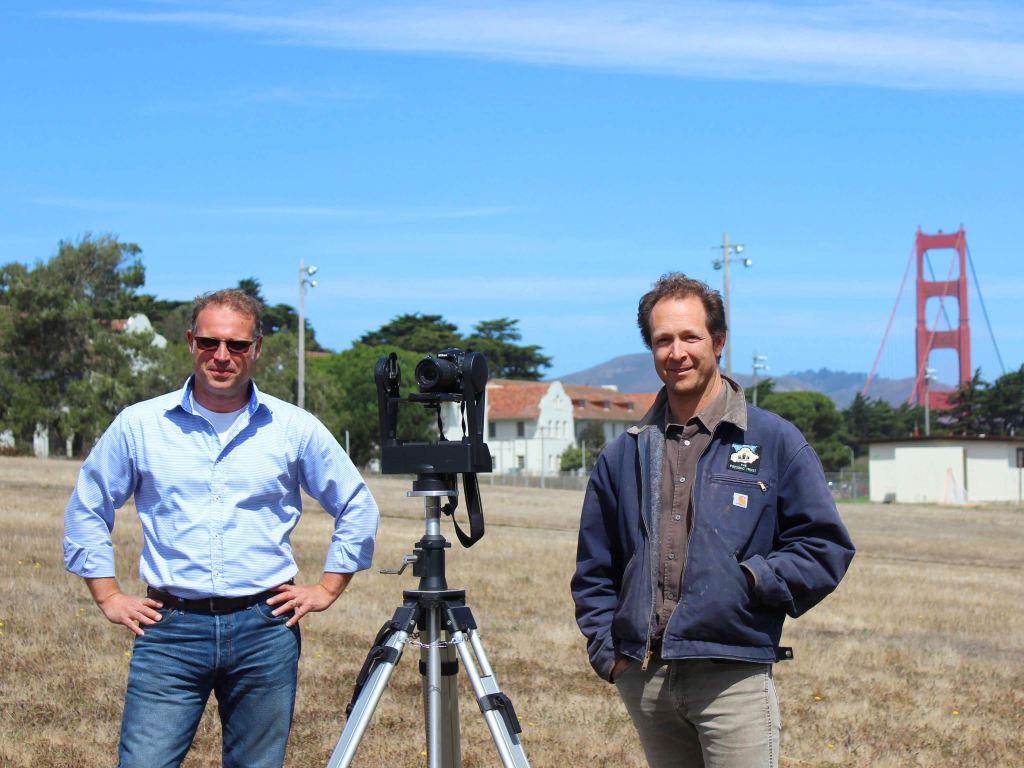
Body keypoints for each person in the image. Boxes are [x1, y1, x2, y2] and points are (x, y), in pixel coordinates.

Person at [63, 288, 379, 768]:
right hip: (170, 630)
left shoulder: (294, 427)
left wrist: (328, 587)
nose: (222, 356)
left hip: (265, 629)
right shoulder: (140, 425)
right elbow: (88, 506)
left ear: (257, 349)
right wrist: (107, 595)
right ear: (191, 342)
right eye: (210, 342)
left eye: (236, 345)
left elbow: (356, 503)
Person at [571, 273, 855, 768]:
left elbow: (824, 546)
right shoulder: (623, 453)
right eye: (663, 340)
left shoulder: (775, 441)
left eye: (690, 337)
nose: (676, 352)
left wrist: (749, 582)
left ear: (718, 341)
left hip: (733, 675)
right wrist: (609, 653)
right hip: (646, 678)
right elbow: (595, 567)